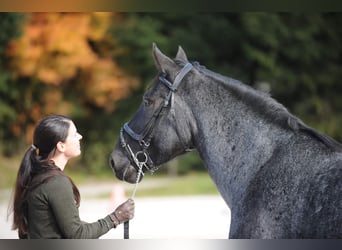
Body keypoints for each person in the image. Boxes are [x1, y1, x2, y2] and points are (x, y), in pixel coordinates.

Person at [11, 114, 134, 239]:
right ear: (61, 146)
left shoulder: (39, 175)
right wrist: (116, 217)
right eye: (74, 134)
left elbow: (66, 227)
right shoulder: (56, 182)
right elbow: (77, 234)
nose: (80, 137)